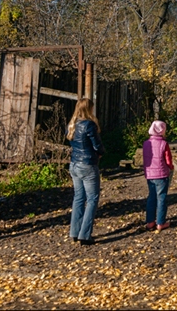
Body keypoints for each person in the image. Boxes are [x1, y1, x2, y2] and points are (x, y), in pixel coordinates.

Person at [67, 97, 104, 246]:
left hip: (74, 164)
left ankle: (74, 232)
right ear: (89, 109)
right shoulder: (89, 125)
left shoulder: (72, 125)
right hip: (88, 164)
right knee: (92, 199)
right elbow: (97, 145)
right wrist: (101, 153)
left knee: (78, 198)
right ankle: (85, 234)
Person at [143, 120, 174, 231]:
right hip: (161, 174)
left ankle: (150, 221)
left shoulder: (146, 143)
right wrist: (171, 167)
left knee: (151, 197)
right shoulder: (164, 144)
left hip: (150, 174)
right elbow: (168, 159)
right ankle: (160, 222)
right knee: (161, 198)